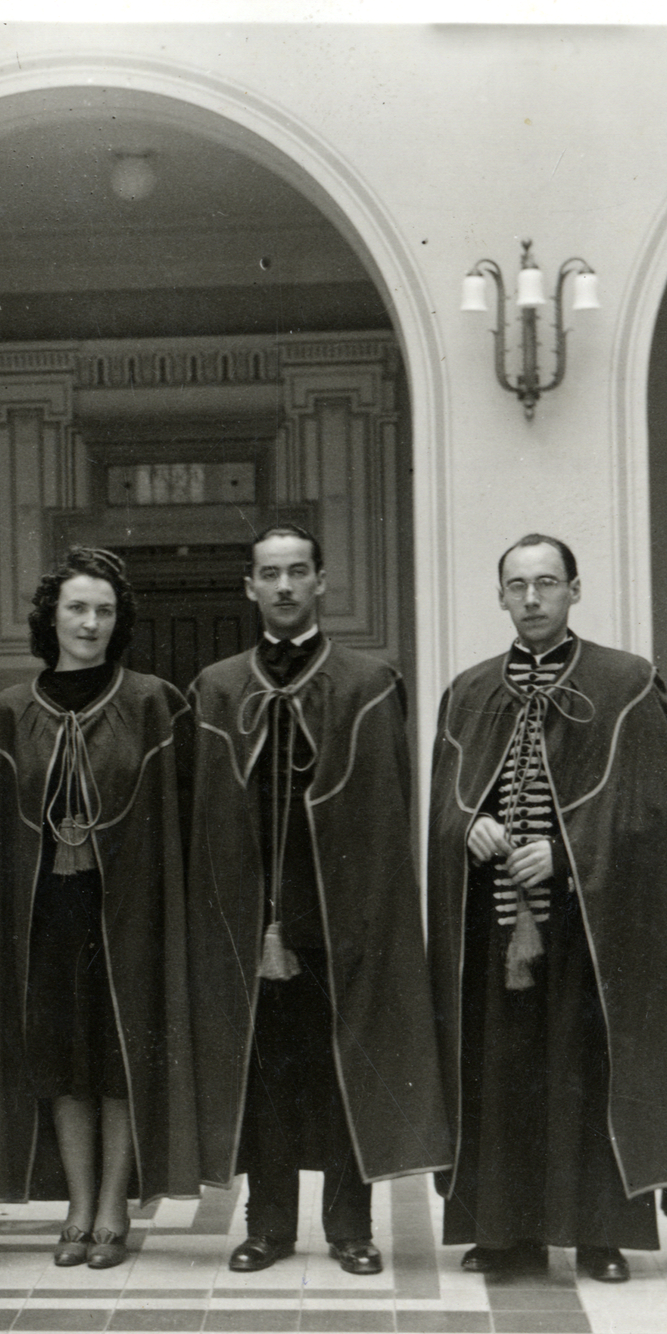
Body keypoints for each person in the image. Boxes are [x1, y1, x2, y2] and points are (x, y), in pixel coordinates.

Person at [428, 534, 667, 1283]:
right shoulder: (470, 691)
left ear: (575, 590)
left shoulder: (627, 683)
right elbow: (446, 804)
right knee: (503, 1075)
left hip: (588, 926)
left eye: (547, 582)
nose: (533, 598)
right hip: (494, 925)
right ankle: (504, 1233)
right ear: (500, 596)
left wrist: (567, 853)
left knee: (583, 1074)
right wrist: (467, 826)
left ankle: (599, 1235)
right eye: (518, 585)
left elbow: (649, 810)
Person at [188, 526, 452, 1276]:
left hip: (340, 913)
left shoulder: (368, 683)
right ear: (249, 586)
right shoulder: (218, 687)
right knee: (266, 1074)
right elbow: (207, 816)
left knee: (343, 1071)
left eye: (297, 572)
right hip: (253, 916)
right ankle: (268, 1225)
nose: (284, 586)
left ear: (322, 581)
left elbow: (385, 812)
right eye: (269, 573)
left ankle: (350, 1227)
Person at [0, 548, 200, 1269]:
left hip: (129, 910)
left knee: (119, 1059)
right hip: (49, 912)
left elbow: (181, 819)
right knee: (64, 1061)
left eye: (104, 610)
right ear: (51, 618)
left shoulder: (153, 701)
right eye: (76, 608)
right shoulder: (12, 709)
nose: (90, 622)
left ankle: (114, 1207)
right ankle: (76, 1204)